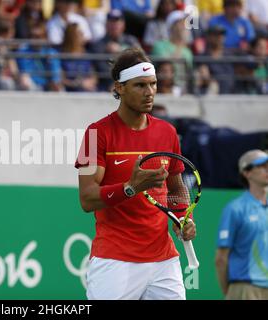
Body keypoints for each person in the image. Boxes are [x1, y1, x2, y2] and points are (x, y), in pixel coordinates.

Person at [75, 48, 196, 300]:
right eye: (140, 85)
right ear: (119, 88)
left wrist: (181, 219)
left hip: (164, 260)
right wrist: (130, 187)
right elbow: (87, 199)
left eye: (153, 84)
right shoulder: (94, 134)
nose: (149, 91)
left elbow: (177, 190)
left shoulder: (168, 133)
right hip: (114, 260)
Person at [215, 149, 268, 300]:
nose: (267, 169)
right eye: (262, 166)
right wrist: (230, 292)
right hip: (245, 289)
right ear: (247, 173)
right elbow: (221, 259)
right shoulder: (235, 208)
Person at [88, 9, 140, 91]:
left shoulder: (130, 40)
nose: (114, 25)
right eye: (111, 22)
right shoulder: (98, 44)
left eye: (117, 22)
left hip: (129, 82)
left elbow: (140, 57)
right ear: (106, 24)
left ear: (123, 25)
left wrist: (121, 50)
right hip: (106, 84)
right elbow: (101, 67)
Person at [16, 20, 63, 91]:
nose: (34, 40)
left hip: (48, 86)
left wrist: (49, 62)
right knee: (25, 80)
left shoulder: (52, 52)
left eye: (38, 37)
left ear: (44, 37)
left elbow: (55, 77)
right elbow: (25, 72)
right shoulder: (23, 52)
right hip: (32, 86)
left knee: (60, 88)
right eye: (32, 36)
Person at [60, 23, 97, 92]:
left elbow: (94, 77)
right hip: (71, 94)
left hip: (89, 93)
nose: (83, 35)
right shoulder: (63, 57)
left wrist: (90, 82)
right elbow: (61, 80)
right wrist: (79, 84)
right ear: (71, 36)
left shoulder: (87, 55)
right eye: (79, 33)